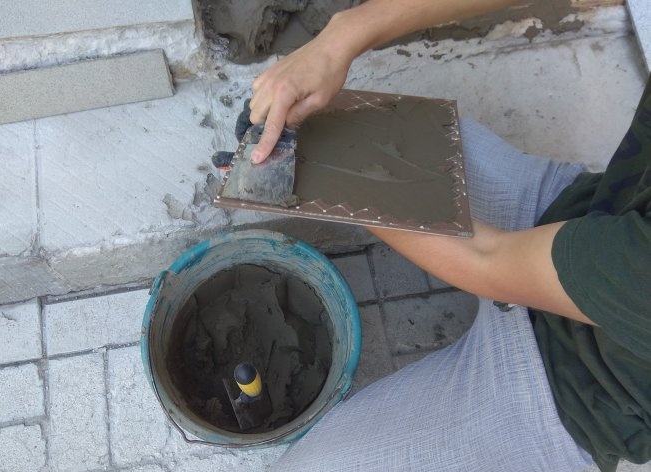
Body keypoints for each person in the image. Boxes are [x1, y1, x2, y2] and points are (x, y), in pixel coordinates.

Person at [243, 0, 651, 471]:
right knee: (370, 129)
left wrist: (322, 177)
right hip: (576, 219)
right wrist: (344, 35)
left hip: (576, 395)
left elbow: (486, 258)